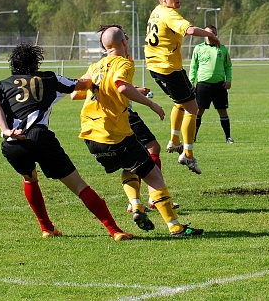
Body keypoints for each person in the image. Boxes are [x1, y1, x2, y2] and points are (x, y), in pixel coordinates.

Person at [0, 43, 134, 241]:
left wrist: (5, 131)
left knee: (29, 178)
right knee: (79, 186)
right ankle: (115, 230)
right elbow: (82, 85)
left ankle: (47, 228)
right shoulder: (49, 78)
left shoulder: (1, 84)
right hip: (40, 137)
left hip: (12, 143)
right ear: (36, 64)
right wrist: (101, 71)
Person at [78, 26, 203, 236]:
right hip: (113, 133)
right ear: (124, 43)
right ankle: (176, 227)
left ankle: (136, 205)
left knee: (130, 166)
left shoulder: (95, 66)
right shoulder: (123, 63)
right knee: (154, 177)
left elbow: (78, 92)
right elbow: (121, 86)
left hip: (91, 136)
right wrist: (151, 104)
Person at [144, 0, 221, 175]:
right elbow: (191, 30)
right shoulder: (169, 14)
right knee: (192, 108)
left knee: (182, 102)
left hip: (158, 66)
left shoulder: (157, 11)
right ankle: (187, 153)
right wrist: (212, 36)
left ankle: (174, 140)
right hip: (168, 68)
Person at [189, 25, 234, 144]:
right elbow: (193, 67)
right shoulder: (198, 48)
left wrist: (228, 80)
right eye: (207, 33)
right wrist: (191, 82)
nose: (210, 35)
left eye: (212, 33)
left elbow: (228, 66)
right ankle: (193, 137)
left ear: (215, 35)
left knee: (223, 111)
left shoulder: (222, 49)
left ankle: (228, 137)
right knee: (198, 111)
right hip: (203, 85)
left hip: (220, 86)